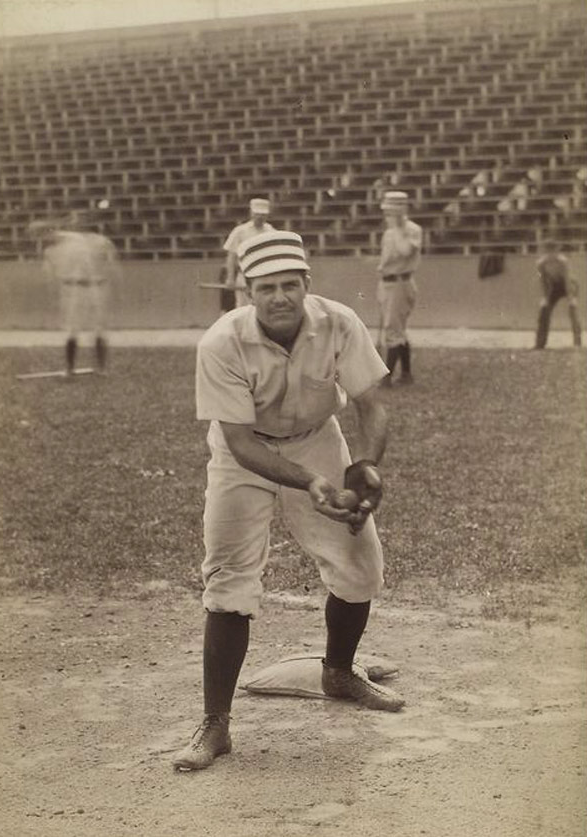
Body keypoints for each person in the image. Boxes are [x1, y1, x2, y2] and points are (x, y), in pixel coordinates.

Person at [173, 230, 404, 773]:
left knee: (358, 561)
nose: (280, 297)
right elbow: (240, 442)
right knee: (230, 578)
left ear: (307, 285)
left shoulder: (339, 322)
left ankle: (339, 672)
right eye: (266, 287)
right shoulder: (221, 342)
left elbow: (372, 405)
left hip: (317, 438)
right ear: (247, 292)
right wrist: (311, 483)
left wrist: (365, 463)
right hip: (245, 455)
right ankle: (216, 724)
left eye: (290, 285)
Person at [29, 219, 119, 375]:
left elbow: (103, 252)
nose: (39, 239)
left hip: (95, 285)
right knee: (71, 330)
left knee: (99, 328)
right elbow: (50, 276)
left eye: (40, 234)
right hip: (71, 288)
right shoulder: (49, 251)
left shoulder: (75, 239)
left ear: (48, 231)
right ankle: (70, 368)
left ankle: (102, 368)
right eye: (36, 236)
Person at [375, 191, 422, 383]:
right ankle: (406, 374)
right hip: (387, 282)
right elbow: (385, 261)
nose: (387, 216)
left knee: (393, 330)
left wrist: (399, 229)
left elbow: (404, 251)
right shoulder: (388, 233)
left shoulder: (412, 230)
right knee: (397, 329)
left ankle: (386, 378)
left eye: (391, 212)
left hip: (401, 283)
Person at [223, 198, 274, 308]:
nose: (260, 217)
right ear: (251, 213)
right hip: (244, 275)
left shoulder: (271, 231)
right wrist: (230, 278)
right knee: (243, 308)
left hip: (265, 275)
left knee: (263, 306)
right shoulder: (240, 231)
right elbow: (231, 256)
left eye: (263, 214)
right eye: (257, 214)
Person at [534, 239, 582, 349]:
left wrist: (571, 298)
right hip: (554, 287)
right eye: (548, 250)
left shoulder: (563, 261)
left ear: (558, 250)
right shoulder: (541, 263)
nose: (551, 253)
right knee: (544, 311)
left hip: (569, 285)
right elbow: (543, 281)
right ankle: (540, 343)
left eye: (554, 250)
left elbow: (567, 280)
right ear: (545, 250)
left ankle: (577, 342)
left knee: (573, 310)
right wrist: (545, 297)